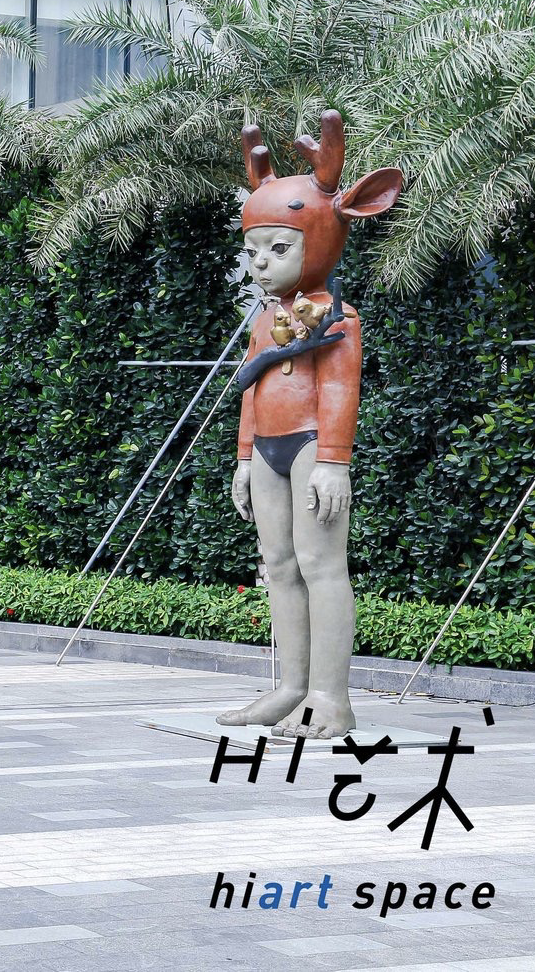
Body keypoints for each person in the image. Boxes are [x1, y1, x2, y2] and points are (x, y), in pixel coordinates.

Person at [218, 111, 401, 740]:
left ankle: (330, 695)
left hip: (309, 446)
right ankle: (291, 686)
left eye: (279, 248)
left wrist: (333, 460)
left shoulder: (337, 318)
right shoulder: (264, 317)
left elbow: (340, 389)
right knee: (278, 563)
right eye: (253, 252)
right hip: (268, 448)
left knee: (321, 564)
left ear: (319, 238)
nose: (262, 264)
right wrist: (244, 457)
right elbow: (251, 388)